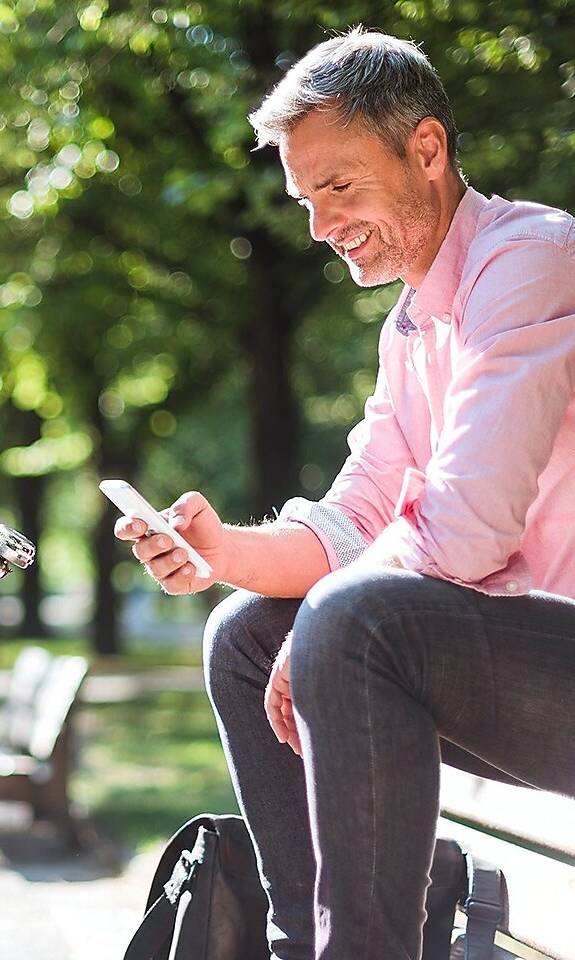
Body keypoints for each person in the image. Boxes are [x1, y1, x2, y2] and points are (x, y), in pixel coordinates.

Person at [112, 26, 575, 960]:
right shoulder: (410, 328)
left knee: (351, 619)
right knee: (245, 636)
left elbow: (469, 526)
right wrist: (220, 555)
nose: (320, 225)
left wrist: (328, 613)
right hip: (508, 669)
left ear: (428, 151)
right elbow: (357, 519)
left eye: (340, 187)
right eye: (303, 198)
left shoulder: (531, 260)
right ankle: (306, 944)